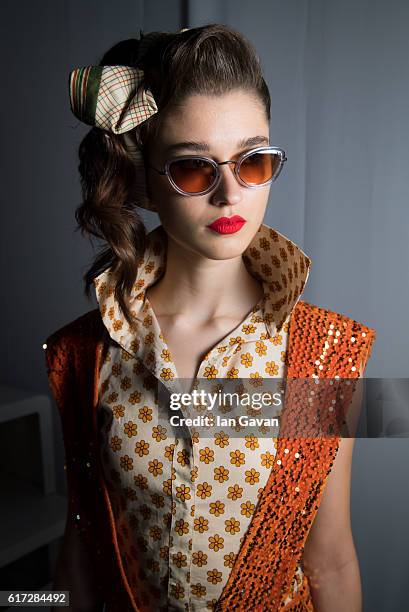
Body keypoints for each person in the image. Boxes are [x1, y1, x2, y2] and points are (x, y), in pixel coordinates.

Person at [44, 24, 376, 612]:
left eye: (253, 161)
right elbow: (82, 548)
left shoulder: (324, 354)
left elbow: (330, 561)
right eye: (195, 169)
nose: (230, 194)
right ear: (143, 180)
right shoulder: (84, 354)